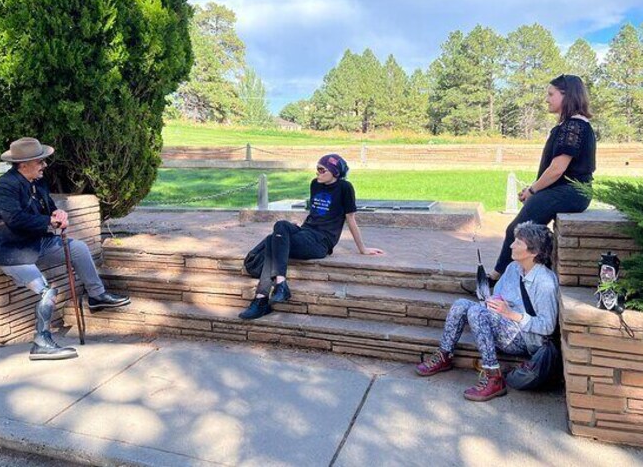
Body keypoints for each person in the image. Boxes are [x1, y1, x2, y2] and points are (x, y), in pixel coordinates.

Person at [0, 137, 130, 361]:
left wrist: (58, 215)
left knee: (79, 248)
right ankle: (41, 343)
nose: (44, 165)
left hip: (36, 244)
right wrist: (48, 223)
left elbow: (50, 208)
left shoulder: (38, 181)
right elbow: (14, 219)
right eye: (40, 161)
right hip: (12, 251)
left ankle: (97, 296)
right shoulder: (6, 185)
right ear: (23, 164)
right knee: (47, 292)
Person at [416, 222, 558, 401]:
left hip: (528, 339)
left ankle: (494, 377)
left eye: (518, 243)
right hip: (506, 325)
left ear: (534, 252)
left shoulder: (545, 282)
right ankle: (444, 355)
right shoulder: (513, 268)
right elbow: (499, 293)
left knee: (477, 313)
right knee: (461, 304)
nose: (511, 245)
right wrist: (492, 300)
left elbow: (548, 326)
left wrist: (510, 314)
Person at [238, 154, 385, 320]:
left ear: (335, 172)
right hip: (305, 232)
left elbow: (350, 219)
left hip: (321, 241)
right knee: (280, 226)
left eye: (322, 170)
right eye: (317, 169)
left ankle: (261, 300)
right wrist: (295, 232)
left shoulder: (345, 188)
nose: (318, 173)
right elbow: (314, 214)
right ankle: (280, 283)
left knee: (274, 239)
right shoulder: (315, 184)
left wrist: (363, 249)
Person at [491, 73, 596, 280]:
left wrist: (533, 190)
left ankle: (495, 279)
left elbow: (558, 168)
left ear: (567, 96)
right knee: (531, 233)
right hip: (566, 191)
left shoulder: (573, 126)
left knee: (516, 231)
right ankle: (525, 277)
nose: (546, 99)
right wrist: (532, 189)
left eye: (551, 94)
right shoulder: (570, 126)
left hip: (571, 192)